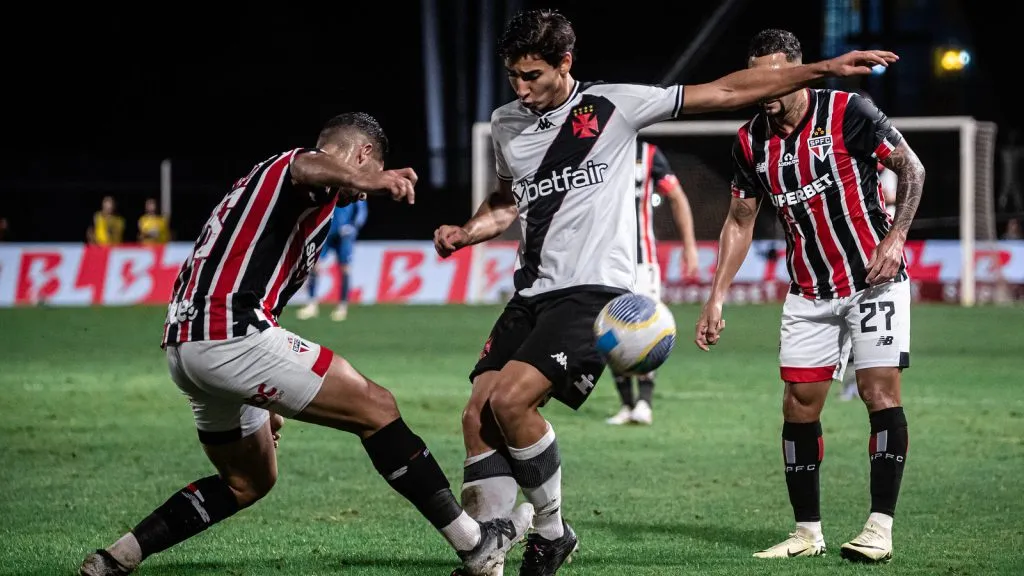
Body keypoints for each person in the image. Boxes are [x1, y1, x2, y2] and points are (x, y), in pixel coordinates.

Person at [433, 9, 898, 575]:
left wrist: (822, 69)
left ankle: (552, 533)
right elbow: (506, 201)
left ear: (565, 63)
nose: (522, 88)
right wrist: (468, 231)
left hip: (592, 293)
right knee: (476, 415)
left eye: (534, 75)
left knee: (511, 401)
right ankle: (489, 558)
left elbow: (728, 89)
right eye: (514, 76)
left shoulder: (614, 105)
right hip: (529, 293)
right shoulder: (507, 122)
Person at [78, 113, 533, 576]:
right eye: (369, 169)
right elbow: (307, 166)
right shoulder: (301, 170)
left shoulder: (283, 194)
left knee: (247, 481)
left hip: (187, 343)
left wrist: (263, 393)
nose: (361, 189)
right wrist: (371, 181)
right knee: (377, 407)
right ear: (362, 155)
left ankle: (118, 557)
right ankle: (475, 544)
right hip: (228, 333)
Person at [694, 29, 925, 563]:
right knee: (798, 406)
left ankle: (879, 528)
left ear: (796, 70)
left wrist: (895, 239)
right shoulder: (750, 140)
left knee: (878, 393)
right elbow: (740, 219)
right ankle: (807, 533)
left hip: (874, 280)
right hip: (809, 290)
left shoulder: (848, 111)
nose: (764, 88)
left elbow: (911, 170)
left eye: (775, 76)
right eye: (755, 78)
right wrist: (717, 296)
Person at [605, 140, 698, 425]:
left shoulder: (648, 154)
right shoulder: (599, 150)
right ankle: (626, 403)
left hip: (642, 262)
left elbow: (677, 196)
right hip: (605, 263)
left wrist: (690, 246)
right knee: (608, 331)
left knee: (648, 329)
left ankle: (644, 402)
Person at [296, 198, 368, 321]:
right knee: (314, 265)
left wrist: (353, 226)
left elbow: (361, 210)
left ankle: (342, 306)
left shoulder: (353, 185)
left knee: (345, 268)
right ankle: (312, 304)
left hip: (344, 235)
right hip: (327, 231)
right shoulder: (330, 185)